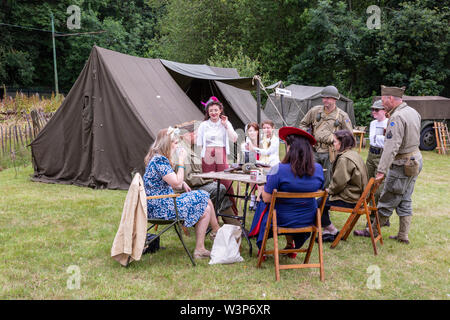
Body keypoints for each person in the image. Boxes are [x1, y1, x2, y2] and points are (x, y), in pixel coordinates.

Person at [143, 127, 220, 259]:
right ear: (167, 143)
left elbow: (175, 181)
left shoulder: (156, 159)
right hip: (162, 208)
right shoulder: (160, 161)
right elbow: (177, 182)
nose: (177, 145)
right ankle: (216, 232)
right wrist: (181, 161)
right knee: (203, 194)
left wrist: (182, 183)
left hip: (157, 204)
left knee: (206, 209)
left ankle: (201, 248)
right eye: (175, 143)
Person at [248, 126, 324, 256]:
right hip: (308, 218)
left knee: (263, 201)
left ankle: (262, 246)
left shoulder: (279, 169)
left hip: (282, 219)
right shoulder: (318, 169)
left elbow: (266, 198)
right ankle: (290, 245)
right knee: (291, 202)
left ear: (289, 148)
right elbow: (319, 188)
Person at [373, 85, 423, 244]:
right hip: (415, 160)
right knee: (405, 198)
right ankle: (403, 235)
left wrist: (381, 170)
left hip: (403, 164)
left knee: (388, 196)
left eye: (383, 100)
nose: (382, 103)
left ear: (391, 99)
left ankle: (373, 231)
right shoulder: (412, 112)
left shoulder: (397, 117)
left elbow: (391, 146)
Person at [177, 127, 239, 225]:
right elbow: (188, 178)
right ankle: (228, 224)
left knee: (219, 188)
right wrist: (208, 178)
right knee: (219, 188)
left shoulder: (190, 148)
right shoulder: (182, 150)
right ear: (187, 135)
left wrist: (207, 177)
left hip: (193, 186)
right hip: (186, 190)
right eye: (197, 134)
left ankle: (228, 224)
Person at [299, 85, 353, 187]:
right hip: (314, 150)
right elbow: (303, 124)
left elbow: (349, 136)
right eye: (323, 98)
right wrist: (308, 135)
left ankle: (324, 200)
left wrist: (338, 141)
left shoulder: (342, 116)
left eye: (328, 98)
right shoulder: (315, 111)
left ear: (335, 99)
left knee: (327, 179)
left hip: (331, 152)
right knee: (310, 175)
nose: (325, 100)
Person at [320, 130, 368, 242]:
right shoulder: (354, 154)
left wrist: (329, 190)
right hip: (358, 196)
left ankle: (331, 230)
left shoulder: (344, 158)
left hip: (351, 198)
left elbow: (338, 183)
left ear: (343, 143)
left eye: (335, 142)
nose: (333, 144)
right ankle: (328, 229)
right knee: (322, 200)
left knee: (318, 203)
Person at [196, 96, 239, 215]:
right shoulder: (204, 125)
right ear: (207, 112)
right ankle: (209, 214)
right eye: (211, 111)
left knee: (226, 183)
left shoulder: (225, 122)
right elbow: (199, 143)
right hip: (208, 155)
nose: (213, 113)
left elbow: (234, 138)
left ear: (220, 110)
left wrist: (226, 125)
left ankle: (232, 213)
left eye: (216, 110)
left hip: (221, 153)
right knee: (209, 184)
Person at [354, 100, 389, 237]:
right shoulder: (373, 123)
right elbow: (373, 139)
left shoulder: (390, 123)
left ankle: (376, 220)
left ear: (384, 111)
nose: (373, 112)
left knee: (378, 189)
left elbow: (388, 142)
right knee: (367, 185)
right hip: (371, 154)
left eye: (377, 110)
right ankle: (375, 217)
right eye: (373, 109)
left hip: (382, 155)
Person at [241, 122, 260, 210]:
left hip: (262, 166)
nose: (252, 133)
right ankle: (253, 198)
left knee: (257, 172)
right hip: (252, 167)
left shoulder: (262, 142)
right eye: (250, 131)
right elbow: (246, 159)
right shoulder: (246, 144)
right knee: (253, 172)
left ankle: (258, 199)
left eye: (254, 130)